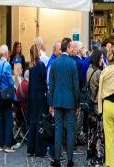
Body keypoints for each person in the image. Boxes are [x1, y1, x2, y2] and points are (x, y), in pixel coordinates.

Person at [48, 37, 80, 167]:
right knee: (71, 130)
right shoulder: (72, 63)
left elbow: (51, 85)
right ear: (67, 48)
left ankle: (56, 160)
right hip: (70, 102)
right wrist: (77, 104)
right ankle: (70, 160)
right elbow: (75, 86)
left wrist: (51, 104)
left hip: (57, 101)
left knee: (58, 130)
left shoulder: (55, 63)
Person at [26, 45, 48, 157]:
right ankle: (39, 149)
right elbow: (44, 81)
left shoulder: (31, 66)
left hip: (32, 96)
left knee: (33, 122)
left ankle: (31, 148)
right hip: (39, 97)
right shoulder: (41, 65)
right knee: (40, 122)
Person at [0, 44, 16, 153]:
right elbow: (10, 81)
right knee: (8, 120)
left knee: (0, 120)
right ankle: (8, 145)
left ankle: (0, 144)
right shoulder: (6, 65)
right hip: (6, 96)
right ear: (6, 53)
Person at [85, 49, 104, 166]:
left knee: (91, 132)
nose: (102, 60)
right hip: (97, 105)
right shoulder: (98, 73)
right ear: (97, 59)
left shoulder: (89, 70)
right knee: (99, 133)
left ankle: (90, 156)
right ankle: (98, 157)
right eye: (101, 58)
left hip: (90, 105)